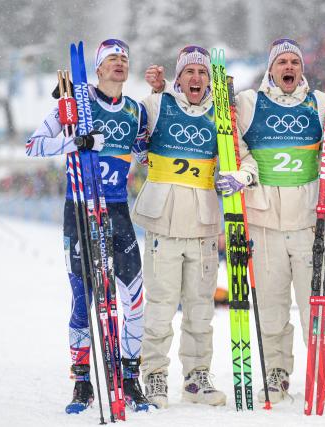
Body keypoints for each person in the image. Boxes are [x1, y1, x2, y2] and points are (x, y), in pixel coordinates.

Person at [215, 38, 325, 406]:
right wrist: (244, 172)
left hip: (309, 223)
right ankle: (276, 373)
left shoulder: (320, 103)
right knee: (272, 308)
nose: (289, 67)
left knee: (318, 305)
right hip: (263, 223)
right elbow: (228, 142)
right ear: (271, 68)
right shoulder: (247, 102)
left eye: (295, 61)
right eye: (282, 62)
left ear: (301, 68)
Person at [26, 39, 152, 413]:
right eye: (111, 58)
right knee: (83, 300)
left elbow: (145, 152)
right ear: (98, 69)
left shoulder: (136, 112)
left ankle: (130, 378)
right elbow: (33, 146)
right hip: (80, 209)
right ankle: (82, 382)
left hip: (117, 210)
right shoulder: (74, 106)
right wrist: (76, 141)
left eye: (124, 59)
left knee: (135, 300)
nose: (119, 63)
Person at [131, 45, 226, 409]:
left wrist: (237, 176)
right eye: (190, 72)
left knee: (201, 306)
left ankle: (197, 376)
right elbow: (140, 133)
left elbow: (235, 157)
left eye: (202, 72)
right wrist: (156, 88)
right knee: (160, 305)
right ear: (179, 77)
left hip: (201, 223)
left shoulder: (221, 115)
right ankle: (153, 373)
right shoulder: (158, 104)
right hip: (164, 222)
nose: (197, 78)